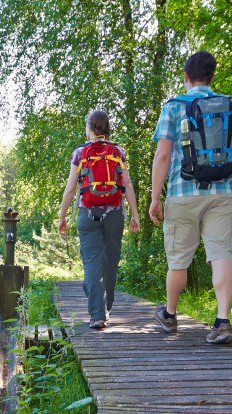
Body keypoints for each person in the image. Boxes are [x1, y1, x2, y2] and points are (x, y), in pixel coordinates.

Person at [149, 51, 232, 344]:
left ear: (186, 76)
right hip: (222, 193)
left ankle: (170, 316)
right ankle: (222, 321)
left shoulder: (173, 107)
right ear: (213, 76)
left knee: (178, 260)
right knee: (222, 255)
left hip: (182, 193)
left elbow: (162, 155)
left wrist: (155, 198)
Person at [58, 110, 140, 329]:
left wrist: (62, 217)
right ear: (107, 128)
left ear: (89, 128)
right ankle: (105, 306)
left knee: (92, 265)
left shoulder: (80, 153)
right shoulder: (117, 152)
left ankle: (98, 315)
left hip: (88, 214)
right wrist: (135, 214)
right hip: (114, 215)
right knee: (110, 263)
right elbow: (127, 185)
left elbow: (70, 189)